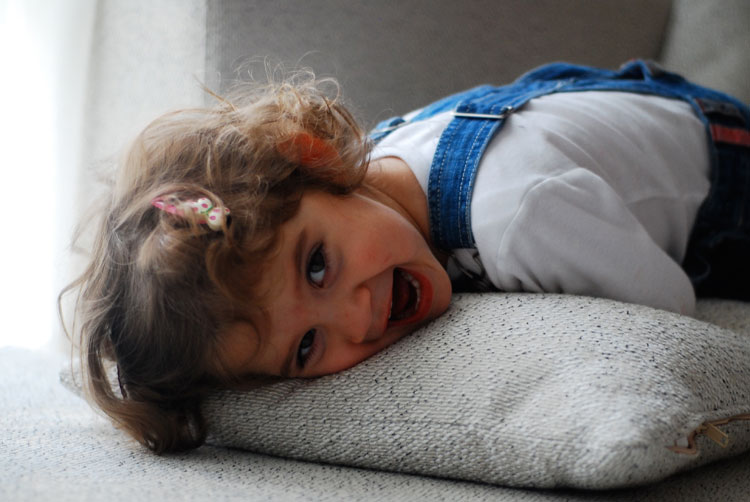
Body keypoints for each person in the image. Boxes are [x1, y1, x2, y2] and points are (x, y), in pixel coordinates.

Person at [63, 60, 750, 453]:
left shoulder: (518, 214)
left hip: (729, 184)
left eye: (317, 266)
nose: (356, 318)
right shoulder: (376, 196)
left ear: (314, 159)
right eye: (306, 347)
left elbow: (671, 308)